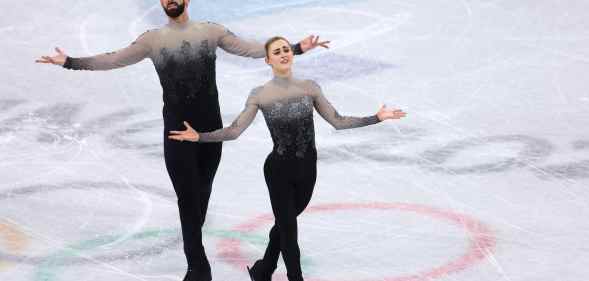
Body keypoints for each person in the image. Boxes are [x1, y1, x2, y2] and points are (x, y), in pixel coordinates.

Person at [35, 1, 330, 280]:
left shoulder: (211, 31)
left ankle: (205, 263)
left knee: (200, 200)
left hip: (209, 134)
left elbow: (250, 49)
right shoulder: (153, 40)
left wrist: (295, 48)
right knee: (188, 201)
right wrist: (71, 62)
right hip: (177, 133)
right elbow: (113, 59)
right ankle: (198, 269)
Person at [168, 36, 406, 281]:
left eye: (285, 50)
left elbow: (338, 121)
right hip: (278, 171)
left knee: (283, 227)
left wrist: (376, 117)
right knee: (290, 233)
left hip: (307, 170)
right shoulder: (260, 95)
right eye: (277, 52)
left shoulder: (309, 88)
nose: (283, 54)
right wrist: (199, 137)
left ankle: (264, 269)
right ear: (268, 60)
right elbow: (234, 131)